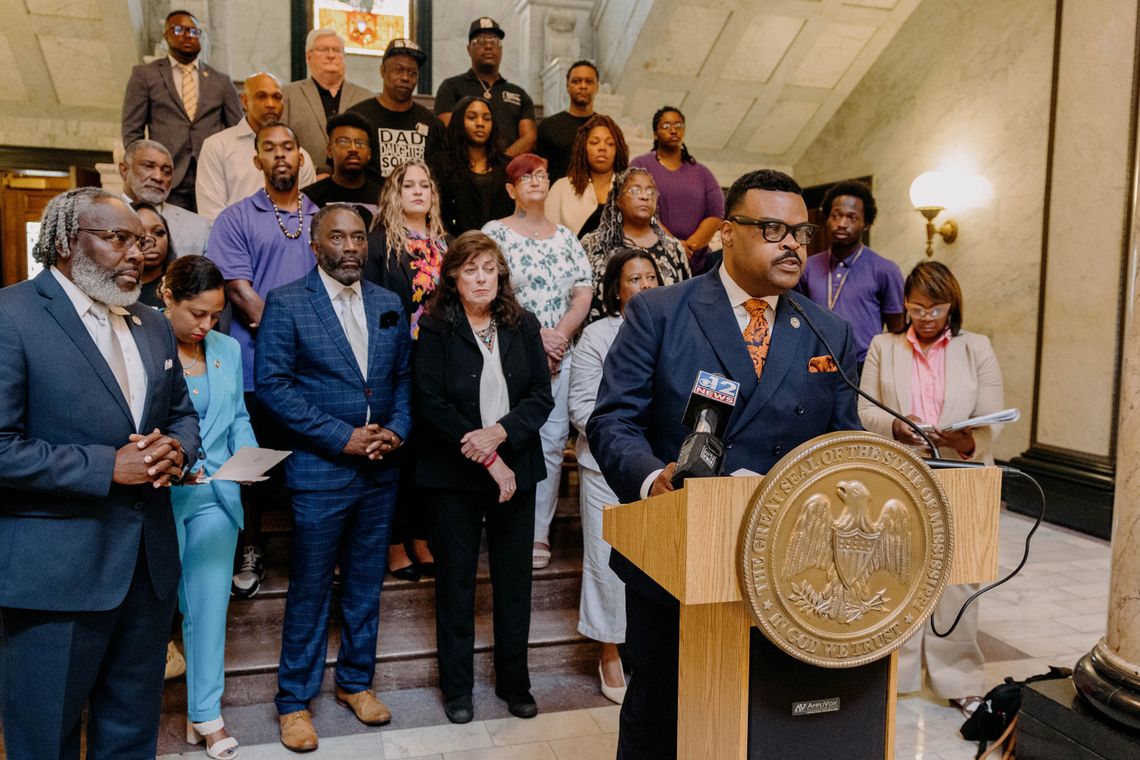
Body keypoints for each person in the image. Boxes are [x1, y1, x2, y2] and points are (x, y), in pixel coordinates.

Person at [586, 169, 860, 759]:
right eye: (772, 229)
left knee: (758, 716)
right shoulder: (660, 312)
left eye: (800, 232)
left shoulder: (827, 330)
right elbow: (612, 421)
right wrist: (653, 478)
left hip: (785, 566)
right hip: (677, 551)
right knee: (662, 715)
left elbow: (843, 440)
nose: (792, 244)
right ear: (727, 233)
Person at [0, 188, 198, 759]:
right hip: (54, 574)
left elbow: (181, 414)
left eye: (139, 240)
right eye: (117, 238)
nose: (136, 252)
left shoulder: (153, 324)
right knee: (46, 738)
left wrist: (177, 451)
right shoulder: (12, 316)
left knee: (131, 733)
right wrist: (106, 466)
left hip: (146, 567)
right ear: (66, 242)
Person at [256, 205, 411, 751]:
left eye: (357, 236)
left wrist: (396, 429)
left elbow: (402, 378)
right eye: (337, 236)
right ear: (314, 245)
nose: (349, 246)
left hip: (380, 468)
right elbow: (274, 387)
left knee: (367, 583)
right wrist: (340, 437)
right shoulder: (287, 302)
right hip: (321, 467)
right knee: (311, 586)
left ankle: (355, 684)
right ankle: (294, 702)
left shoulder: (388, 302)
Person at [413, 231, 554, 724]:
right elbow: (429, 402)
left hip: (517, 466)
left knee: (514, 583)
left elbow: (541, 396)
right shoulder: (435, 327)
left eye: (489, 269)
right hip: (454, 474)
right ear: (452, 275)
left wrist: (499, 435)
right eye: (470, 269)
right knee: (455, 583)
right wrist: (486, 454)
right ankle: (457, 690)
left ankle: (515, 684)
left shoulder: (523, 323)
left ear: (501, 275)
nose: (480, 278)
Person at [858, 260, 1003, 703]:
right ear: (904, 304)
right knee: (898, 567)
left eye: (935, 309)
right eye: (917, 308)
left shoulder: (975, 347)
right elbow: (866, 409)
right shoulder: (884, 346)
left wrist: (964, 436)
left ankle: (956, 678)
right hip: (904, 465)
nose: (925, 318)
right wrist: (899, 428)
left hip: (961, 467)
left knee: (960, 573)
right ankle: (895, 676)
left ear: (951, 306)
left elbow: (994, 411)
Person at [207, 122, 319, 599]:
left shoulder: (323, 216)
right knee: (254, 463)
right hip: (255, 367)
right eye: (269, 148)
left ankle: (312, 554)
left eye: (288, 147)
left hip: (318, 371)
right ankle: (250, 549)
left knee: (312, 465)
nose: (279, 156)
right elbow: (239, 289)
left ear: (300, 158)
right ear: (256, 161)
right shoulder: (235, 218)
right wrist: (291, 339)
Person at [162, 255, 257, 760]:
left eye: (216, 314)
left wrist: (249, 457)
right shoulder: (143, 343)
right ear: (167, 297)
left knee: (207, 608)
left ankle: (206, 714)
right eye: (197, 313)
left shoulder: (226, 348)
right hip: (156, 497)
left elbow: (237, 415)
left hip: (217, 494)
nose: (207, 324)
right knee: (152, 609)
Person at [482, 153, 592, 570]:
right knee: (506, 436)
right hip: (508, 349)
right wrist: (536, 335)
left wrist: (559, 335)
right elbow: (490, 287)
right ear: (510, 189)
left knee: (549, 443)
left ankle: (538, 533)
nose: (535, 180)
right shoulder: (495, 233)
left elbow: (582, 294)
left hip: (560, 356)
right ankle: (501, 525)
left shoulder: (567, 237)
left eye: (542, 174)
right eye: (524, 176)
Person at [568, 248, 660, 705]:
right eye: (633, 279)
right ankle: (608, 651)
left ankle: (648, 653)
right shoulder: (597, 336)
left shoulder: (673, 327)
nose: (643, 286)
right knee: (606, 563)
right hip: (606, 466)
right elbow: (583, 407)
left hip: (664, 472)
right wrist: (629, 445)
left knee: (656, 564)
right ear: (616, 290)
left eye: (650, 277)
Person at [363, 159, 449, 580]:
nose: (418, 192)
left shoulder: (445, 244)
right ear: (394, 195)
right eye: (408, 185)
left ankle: (420, 536)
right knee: (398, 453)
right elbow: (371, 308)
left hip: (439, 363)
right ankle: (394, 543)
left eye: (425, 185)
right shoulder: (380, 244)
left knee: (429, 455)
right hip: (396, 363)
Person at [121, 9, 242, 210]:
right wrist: (145, 169)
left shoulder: (221, 81)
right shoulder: (145, 75)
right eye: (179, 30)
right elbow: (132, 129)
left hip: (212, 176)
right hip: (166, 176)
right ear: (165, 35)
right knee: (170, 235)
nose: (187, 36)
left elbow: (237, 131)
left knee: (209, 235)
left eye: (193, 32)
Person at [796, 180, 905, 373]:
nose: (842, 224)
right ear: (826, 219)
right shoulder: (808, 267)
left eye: (852, 217)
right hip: (817, 365)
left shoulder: (885, 270)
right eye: (835, 216)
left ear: (867, 224)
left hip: (865, 366)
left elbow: (897, 333)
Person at [196, 73, 317, 221]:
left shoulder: (297, 155)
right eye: (261, 96)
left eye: (277, 97)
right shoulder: (217, 146)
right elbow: (210, 212)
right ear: (245, 102)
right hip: (233, 240)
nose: (271, 104)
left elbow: (305, 212)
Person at [580, 166, 690, 322]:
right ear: (617, 200)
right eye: (635, 191)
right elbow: (575, 296)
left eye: (650, 191)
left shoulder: (673, 248)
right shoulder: (593, 243)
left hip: (659, 340)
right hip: (602, 341)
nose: (645, 196)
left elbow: (685, 302)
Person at [629, 106, 724, 274]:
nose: (673, 130)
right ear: (655, 133)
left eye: (678, 125)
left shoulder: (702, 172)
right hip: (652, 259)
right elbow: (637, 209)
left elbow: (715, 213)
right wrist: (674, 245)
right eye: (666, 126)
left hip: (697, 261)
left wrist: (689, 247)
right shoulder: (640, 166)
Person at [434, 17, 537, 157]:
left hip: (508, 170)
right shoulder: (451, 87)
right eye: (481, 41)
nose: (489, 46)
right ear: (469, 49)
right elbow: (448, 132)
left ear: (501, 49)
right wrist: (478, 165)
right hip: (463, 169)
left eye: (494, 41)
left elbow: (529, 138)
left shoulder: (519, 94)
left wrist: (499, 165)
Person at [347, 38, 445, 181]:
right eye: (398, 70)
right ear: (382, 71)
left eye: (412, 73)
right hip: (371, 202)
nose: (405, 78)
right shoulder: (358, 117)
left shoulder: (432, 124)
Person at [281, 29, 372, 176]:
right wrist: (312, 173)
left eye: (337, 50)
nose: (331, 55)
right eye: (323, 49)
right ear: (308, 56)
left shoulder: (366, 98)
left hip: (355, 184)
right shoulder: (288, 95)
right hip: (306, 185)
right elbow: (281, 144)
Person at [433, 96, 513, 235]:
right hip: (452, 246)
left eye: (487, 118)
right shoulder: (441, 163)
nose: (480, 123)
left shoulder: (506, 165)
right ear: (459, 121)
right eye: (472, 117)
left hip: (499, 247)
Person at [119, 139, 212, 257]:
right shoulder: (99, 217)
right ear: (124, 171)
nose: (158, 177)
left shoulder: (199, 227)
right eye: (148, 166)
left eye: (166, 172)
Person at [544, 113, 628, 236]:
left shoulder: (628, 188)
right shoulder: (561, 188)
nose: (602, 148)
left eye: (610, 143)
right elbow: (547, 236)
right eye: (594, 142)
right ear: (583, 148)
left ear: (618, 150)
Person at [301, 111, 384, 224]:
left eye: (360, 143)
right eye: (344, 142)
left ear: (369, 154)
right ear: (329, 151)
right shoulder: (309, 197)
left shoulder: (384, 197)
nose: (353, 148)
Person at [536, 60, 600, 182]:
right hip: (557, 197)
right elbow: (540, 171)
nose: (583, 86)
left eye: (589, 81)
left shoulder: (604, 127)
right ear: (567, 86)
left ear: (597, 87)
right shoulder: (549, 126)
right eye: (576, 81)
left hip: (595, 198)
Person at [132, 201, 178, 308]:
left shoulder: (181, 287)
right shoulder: (113, 291)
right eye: (140, 233)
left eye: (158, 232)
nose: (148, 239)